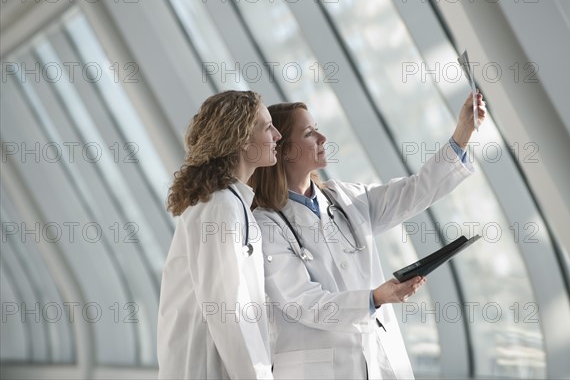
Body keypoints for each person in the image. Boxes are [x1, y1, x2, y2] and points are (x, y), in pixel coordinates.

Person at [249, 93, 487, 379]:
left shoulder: (345, 198)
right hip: (319, 368)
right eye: (310, 133)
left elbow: (414, 191)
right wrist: (374, 298)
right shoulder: (265, 224)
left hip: (378, 356)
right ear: (285, 150)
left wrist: (463, 132)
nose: (323, 137)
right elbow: (303, 302)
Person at [157, 90, 282, 379]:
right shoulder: (220, 207)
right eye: (267, 127)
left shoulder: (229, 203)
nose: (277, 135)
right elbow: (228, 308)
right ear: (240, 139)